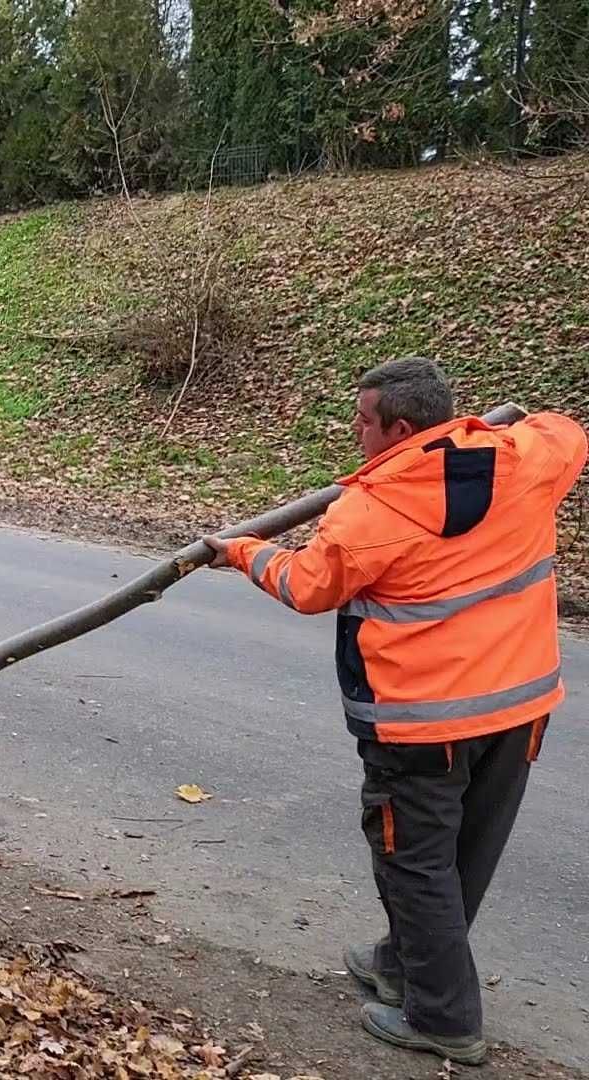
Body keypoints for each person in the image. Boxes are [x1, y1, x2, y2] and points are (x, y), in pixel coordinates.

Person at [202, 357, 585, 1066]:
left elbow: (308, 584)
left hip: (423, 724)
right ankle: (402, 962)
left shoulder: (371, 510)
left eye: (362, 422)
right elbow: (566, 431)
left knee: (412, 861)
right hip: (520, 707)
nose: (355, 432)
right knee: (465, 848)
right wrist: (490, 428)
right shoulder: (524, 460)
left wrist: (244, 551)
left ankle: (443, 1019)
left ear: (400, 428)